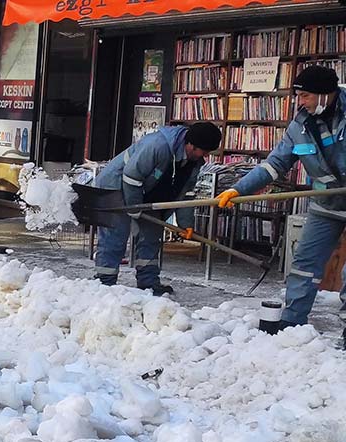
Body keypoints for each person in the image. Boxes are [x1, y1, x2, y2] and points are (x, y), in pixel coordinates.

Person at [216, 65, 346, 331]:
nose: (301, 102)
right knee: (304, 263)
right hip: (326, 203)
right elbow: (274, 165)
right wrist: (239, 189)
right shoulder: (300, 126)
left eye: (306, 96)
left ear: (325, 94)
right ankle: (293, 322)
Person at [92, 122, 223, 295]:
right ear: (190, 145)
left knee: (151, 236)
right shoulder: (158, 145)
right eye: (204, 151)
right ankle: (104, 282)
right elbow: (131, 176)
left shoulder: (194, 161)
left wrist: (186, 224)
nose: (205, 156)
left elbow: (185, 192)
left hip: (150, 192)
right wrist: (135, 207)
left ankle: (148, 281)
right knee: (116, 236)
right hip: (116, 186)